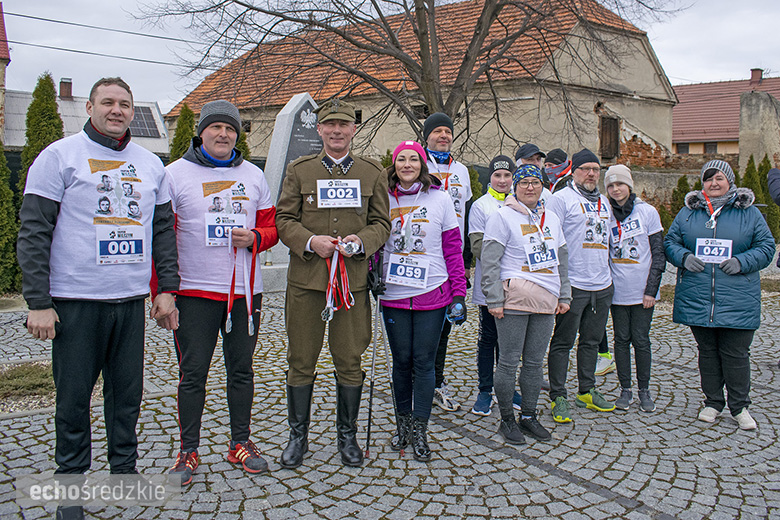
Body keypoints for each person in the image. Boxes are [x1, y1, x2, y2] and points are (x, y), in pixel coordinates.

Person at [17, 77, 179, 520]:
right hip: (76, 301)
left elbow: (163, 231)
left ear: (132, 112)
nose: (116, 110)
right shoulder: (59, 157)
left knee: (126, 396)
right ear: (89, 107)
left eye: (124, 104)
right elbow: (34, 232)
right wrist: (38, 301)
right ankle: (70, 488)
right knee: (73, 399)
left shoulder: (150, 164)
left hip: (129, 301)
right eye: (107, 102)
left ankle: (124, 472)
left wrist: (166, 290)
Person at [164, 100, 278, 485]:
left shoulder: (254, 175)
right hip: (194, 292)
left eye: (230, 129)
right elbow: (162, 236)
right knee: (193, 373)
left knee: (241, 371)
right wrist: (163, 292)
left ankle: (240, 442)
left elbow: (272, 229)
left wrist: (256, 237)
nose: (223, 134)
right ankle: (188, 450)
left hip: (244, 293)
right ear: (201, 132)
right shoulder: (174, 174)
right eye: (216, 127)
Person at [276, 99, 391, 468]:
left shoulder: (372, 173)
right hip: (307, 282)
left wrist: (361, 241)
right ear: (320, 129)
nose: (337, 131)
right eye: (330, 125)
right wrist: (311, 241)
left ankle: (347, 436)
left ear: (353, 130)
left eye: (343, 125)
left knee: (349, 359)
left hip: (351, 285)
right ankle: (298, 436)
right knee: (301, 359)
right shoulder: (300, 170)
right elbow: (284, 219)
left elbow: (382, 223)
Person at [665, 160, 774, 430]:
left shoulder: (748, 212)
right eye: (708, 178)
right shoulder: (689, 212)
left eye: (719, 178)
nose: (713, 183)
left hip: (737, 297)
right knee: (708, 353)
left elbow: (766, 246)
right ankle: (713, 402)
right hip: (698, 296)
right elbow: (670, 242)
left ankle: (740, 407)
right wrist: (684, 257)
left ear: (730, 181)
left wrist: (742, 261)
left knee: (736, 354)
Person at [381, 140, 466, 461]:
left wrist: (459, 293)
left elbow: (453, 249)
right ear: (394, 165)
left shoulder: (440, 198)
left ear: (422, 165)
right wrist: (372, 272)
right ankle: (402, 425)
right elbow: (376, 242)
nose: (407, 164)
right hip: (394, 294)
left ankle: (420, 429)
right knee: (401, 362)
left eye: (413, 159)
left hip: (433, 291)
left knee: (424, 362)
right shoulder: (383, 197)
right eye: (401, 159)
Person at [482, 164, 571, 443]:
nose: (530, 187)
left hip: (546, 298)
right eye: (524, 183)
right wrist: (494, 298)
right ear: (515, 187)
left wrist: (564, 294)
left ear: (542, 186)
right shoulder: (502, 216)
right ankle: (507, 419)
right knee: (508, 362)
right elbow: (490, 261)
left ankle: (529, 416)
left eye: (535, 182)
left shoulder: (551, 218)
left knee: (534, 363)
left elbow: (562, 259)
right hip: (514, 299)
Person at [545, 149, 615, 423]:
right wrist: (558, 284)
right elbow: (551, 241)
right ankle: (558, 395)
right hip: (573, 284)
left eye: (596, 169)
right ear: (573, 171)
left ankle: (586, 390)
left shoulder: (605, 202)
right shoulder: (561, 199)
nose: (591, 174)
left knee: (591, 341)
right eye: (585, 169)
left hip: (601, 284)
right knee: (563, 342)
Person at [422, 112, 472, 412]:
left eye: (448, 131)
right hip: (423, 257)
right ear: (426, 135)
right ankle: (417, 381)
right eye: (437, 131)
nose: (444, 136)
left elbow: (466, 216)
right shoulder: (417, 164)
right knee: (422, 328)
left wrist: (465, 263)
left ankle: (436, 382)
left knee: (444, 327)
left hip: (451, 257)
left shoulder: (462, 171)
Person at [604, 165, 665, 412]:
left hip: (642, 292)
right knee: (620, 340)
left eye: (620, 184)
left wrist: (651, 290)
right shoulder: (606, 213)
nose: (615, 189)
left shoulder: (647, 212)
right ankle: (625, 389)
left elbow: (658, 254)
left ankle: (644, 390)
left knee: (640, 339)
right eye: (610, 185)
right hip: (617, 291)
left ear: (629, 185)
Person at [467, 155, 522, 416]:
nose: (502, 180)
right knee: (489, 339)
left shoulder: (522, 205)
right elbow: (477, 246)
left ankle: (507, 388)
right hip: (490, 285)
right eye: (497, 175)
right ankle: (485, 389)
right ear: (490, 177)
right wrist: (509, 258)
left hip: (517, 285)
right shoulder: (481, 206)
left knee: (510, 342)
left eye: (507, 175)